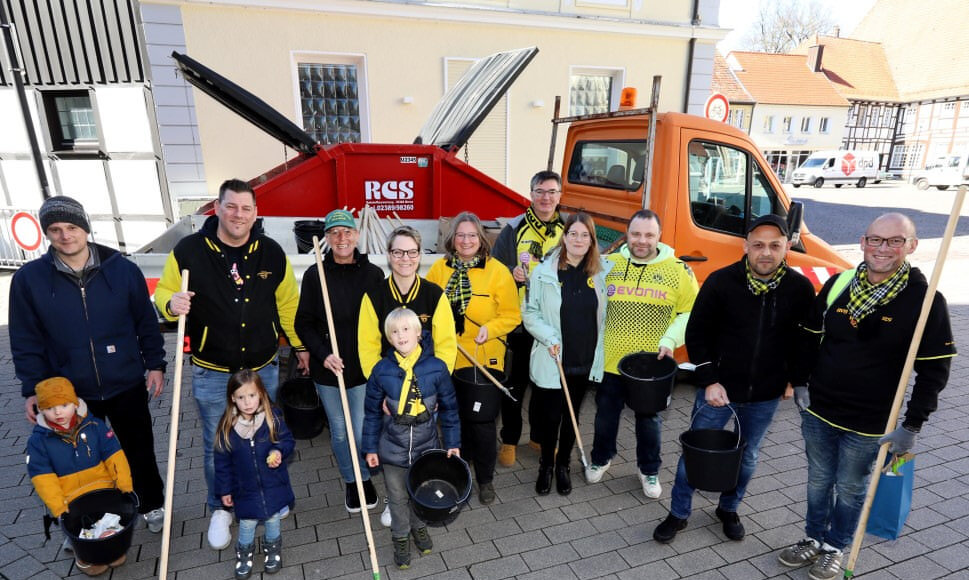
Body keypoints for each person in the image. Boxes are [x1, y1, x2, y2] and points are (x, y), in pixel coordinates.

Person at [778, 213, 955, 580]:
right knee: (817, 481)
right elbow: (809, 335)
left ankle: (834, 547)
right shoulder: (840, 284)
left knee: (851, 488)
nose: (882, 248)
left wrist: (912, 424)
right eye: (875, 240)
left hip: (872, 422)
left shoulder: (925, 302)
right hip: (819, 411)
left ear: (911, 246)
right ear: (862, 242)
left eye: (894, 241)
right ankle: (812, 537)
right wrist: (801, 382)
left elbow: (934, 372)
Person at [154, 178, 307, 550]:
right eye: (231, 206)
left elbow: (288, 304)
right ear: (217, 208)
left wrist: (301, 346)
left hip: (261, 368)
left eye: (246, 208)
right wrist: (170, 305)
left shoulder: (271, 252)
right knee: (216, 443)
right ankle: (221, 507)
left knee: (263, 436)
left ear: (256, 214)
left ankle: (266, 496)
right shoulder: (190, 251)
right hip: (212, 369)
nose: (239, 214)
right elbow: (163, 293)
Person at [653, 214, 815, 544]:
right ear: (745, 246)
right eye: (758, 245)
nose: (766, 253)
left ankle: (728, 508)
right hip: (718, 389)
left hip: (765, 395)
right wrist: (709, 379)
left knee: (748, 456)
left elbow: (805, 340)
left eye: (775, 245)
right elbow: (697, 333)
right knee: (695, 455)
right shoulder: (721, 281)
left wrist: (793, 380)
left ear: (787, 246)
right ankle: (679, 513)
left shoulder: (799, 289)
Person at [10, 195, 168, 534]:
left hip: (125, 380)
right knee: (81, 461)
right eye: (55, 229)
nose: (66, 236)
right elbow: (25, 341)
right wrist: (32, 389)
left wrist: (156, 364)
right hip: (70, 392)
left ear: (84, 227)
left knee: (138, 449)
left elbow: (145, 322)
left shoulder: (122, 269)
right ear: (47, 234)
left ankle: (152, 504)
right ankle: (87, 518)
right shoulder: (29, 280)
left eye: (72, 227)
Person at [585, 209, 698, 498]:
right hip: (611, 361)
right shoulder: (608, 264)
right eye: (636, 234)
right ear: (628, 234)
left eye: (649, 235)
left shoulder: (678, 270)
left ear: (659, 236)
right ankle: (601, 458)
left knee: (649, 421)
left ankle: (648, 470)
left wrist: (670, 339)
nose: (642, 241)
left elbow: (690, 313)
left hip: (653, 365)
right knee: (605, 416)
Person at [426, 212, 521, 504]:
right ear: (452, 239)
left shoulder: (497, 272)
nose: (466, 241)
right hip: (448, 357)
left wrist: (490, 330)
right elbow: (427, 307)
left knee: (481, 422)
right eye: (460, 235)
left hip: (483, 358)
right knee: (453, 418)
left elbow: (512, 316)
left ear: (481, 239)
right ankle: (460, 467)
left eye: (471, 235)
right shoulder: (439, 269)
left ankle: (485, 478)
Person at [295, 209, 384, 514]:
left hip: (361, 367)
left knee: (359, 429)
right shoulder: (314, 274)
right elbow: (302, 323)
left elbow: (381, 322)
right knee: (339, 431)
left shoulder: (373, 275)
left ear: (356, 235)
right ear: (327, 239)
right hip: (327, 367)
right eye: (334, 233)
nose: (341, 238)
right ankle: (351, 480)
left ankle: (365, 478)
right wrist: (323, 353)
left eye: (347, 232)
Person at [362, 308, 461, 570]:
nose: (400, 335)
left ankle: (419, 528)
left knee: (419, 492)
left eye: (406, 329)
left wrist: (452, 443)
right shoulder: (381, 370)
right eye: (394, 331)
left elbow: (450, 408)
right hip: (392, 450)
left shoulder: (436, 368)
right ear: (388, 338)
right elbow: (371, 413)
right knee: (396, 497)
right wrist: (370, 447)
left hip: (426, 449)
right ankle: (401, 538)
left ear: (419, 333)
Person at [521, 213, 611, 496]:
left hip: (584, 358)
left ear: (592, 240)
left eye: (585, 235)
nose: (578, 240)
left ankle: (564, 465)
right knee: (550, 417)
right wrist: (548, 338)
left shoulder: (601, 271)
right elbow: (530, 312)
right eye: (573, 233)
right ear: (564, 236)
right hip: (554, 358)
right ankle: (546, 464)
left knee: (572, 417)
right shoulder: (544, 272)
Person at [492, 170, 566, 466]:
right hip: (520, 321)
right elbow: (495, 271)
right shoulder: (513, 229)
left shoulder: (570, 228)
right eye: (539, 191)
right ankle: (509, 439)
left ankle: (538, 437)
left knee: (546, 384)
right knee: (515, 382)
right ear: (531, 194)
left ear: (560, 195)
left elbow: (586, 266)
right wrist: (511, 271)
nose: (545, 197)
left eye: (551, 191)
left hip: (554, 323)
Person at [26, 377, 134, 576]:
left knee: (108, 520)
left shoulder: (95, 425)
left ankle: (111, 550)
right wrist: (58, 506)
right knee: (80, 532)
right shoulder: (39, 441)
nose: (58, 412)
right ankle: (84, 557)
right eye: (49, 408)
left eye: (64, 405)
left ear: (75, 403)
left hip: (102, 489)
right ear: (41, 410)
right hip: (71, 498)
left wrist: (124, 485)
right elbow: (43, 478)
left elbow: (114, 456)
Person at [214, 369, 295, 579]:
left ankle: (273, 548)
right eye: (241, 397)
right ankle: (244, 552)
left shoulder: (272, 417)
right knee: (247, 523)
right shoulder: (228, 427)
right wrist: (224, 490)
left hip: (273, 484)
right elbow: (222, 463)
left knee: (273, 518)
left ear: (261, 393)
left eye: (251, 395)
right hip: (245, 488)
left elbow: (287, 441)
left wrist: (278, 450)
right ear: (233, 398)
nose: (247, 402)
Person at [358, 225, 457, 377]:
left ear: (419, 255)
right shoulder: (373, 297)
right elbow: (368, 349)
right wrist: (381, 386)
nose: (405, 258)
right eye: (398, 252)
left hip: (427, 385)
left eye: (412, 252)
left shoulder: (435, 295)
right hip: (388, 385)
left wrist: (436, 384)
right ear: (389, 255)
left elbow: (446, 347)